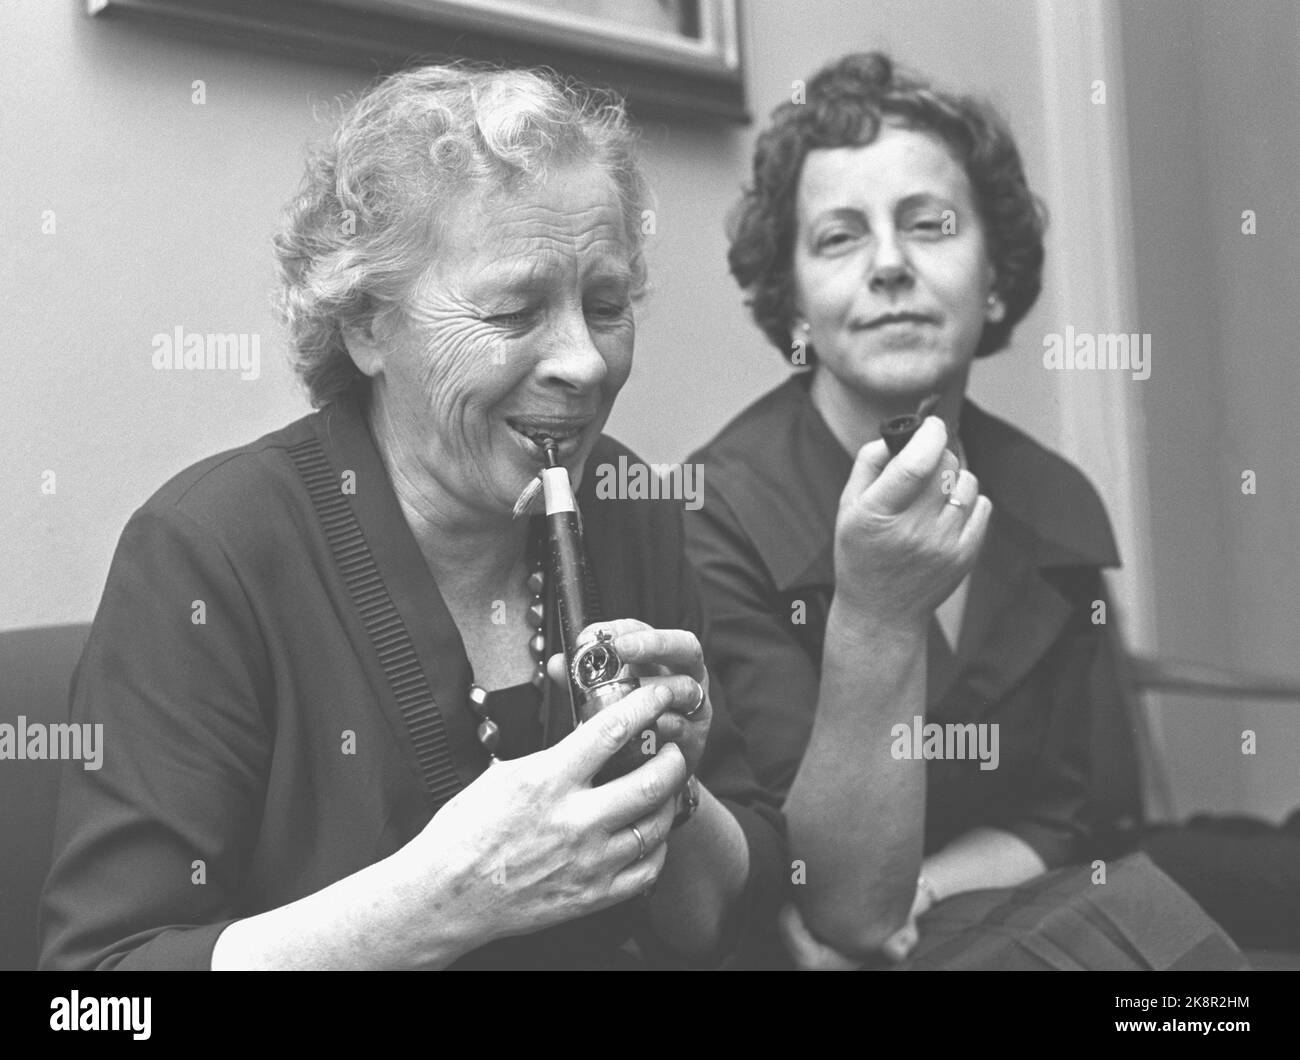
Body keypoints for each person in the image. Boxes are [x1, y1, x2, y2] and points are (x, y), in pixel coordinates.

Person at [38, 64, 785, 970]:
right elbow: (98, 998)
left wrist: (674, 788)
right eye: (514, 309)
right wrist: (436, 905)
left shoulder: (626, 507)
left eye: (606, 306)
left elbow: (727, 929)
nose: (585, 364)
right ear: (365, 325)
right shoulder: (208, 554)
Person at [685, 52, 1127, 967]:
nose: (890, 265)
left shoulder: (1053, 499)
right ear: (794, 306)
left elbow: (1064, 817)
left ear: (996, 277)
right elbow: (823, 898)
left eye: (930, 225)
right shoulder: (714, 512)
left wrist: (919, 896)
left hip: (996, 922)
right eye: (840, 238)